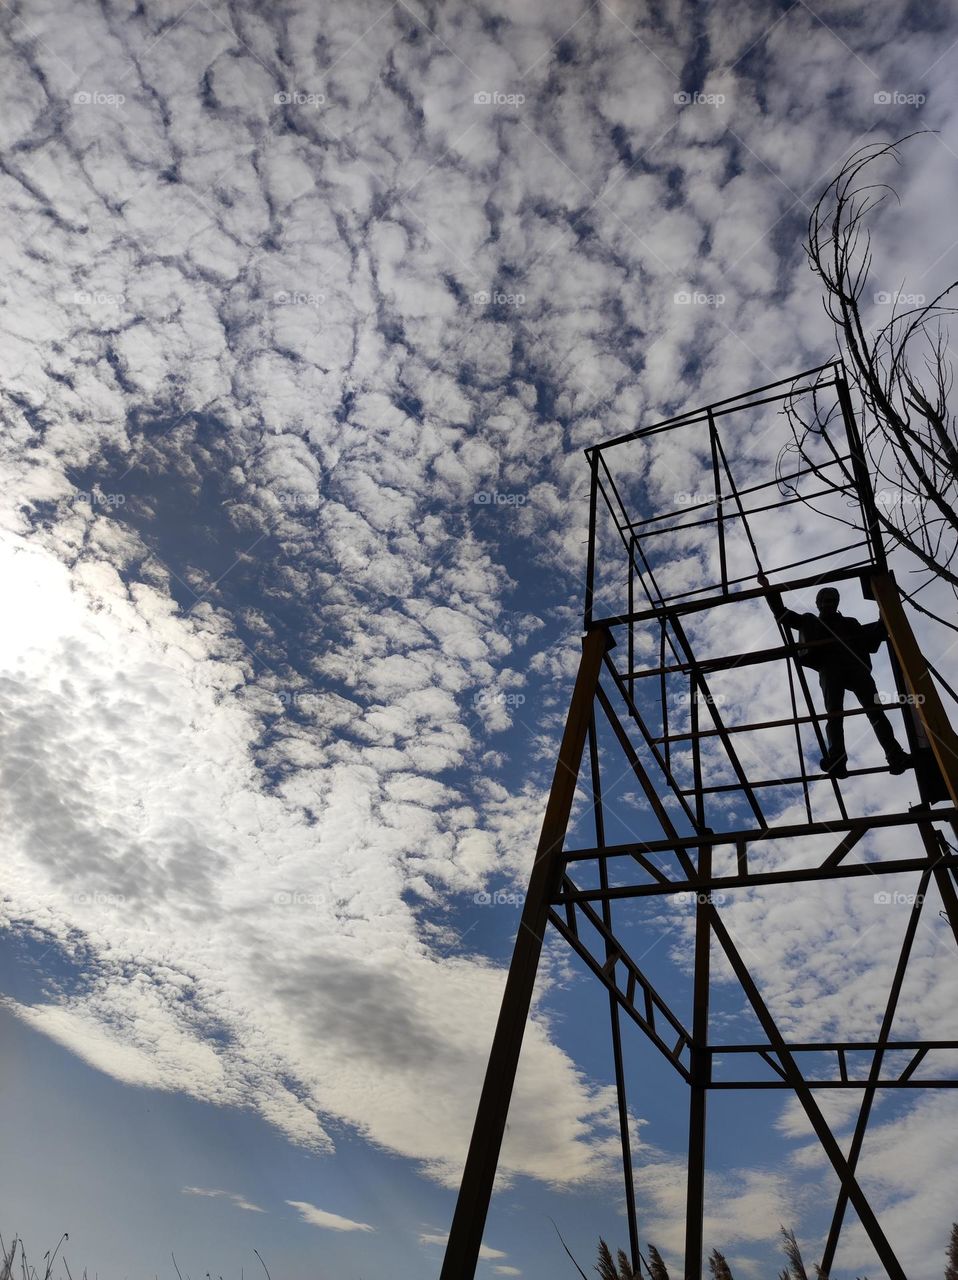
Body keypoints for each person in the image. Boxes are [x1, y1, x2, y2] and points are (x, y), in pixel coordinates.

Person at [756, 573, 911, 779]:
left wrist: (885, 607)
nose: (828, 604)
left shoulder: (851, 623)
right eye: (824, 601)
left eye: (831, 600)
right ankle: (837, 759)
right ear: (817, 603)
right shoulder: (810, 622)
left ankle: (895, 755)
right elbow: (782, 614)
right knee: (834, 715)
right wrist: (768, 588)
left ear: (837, 603)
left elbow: (873, 636)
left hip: (857, 669)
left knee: (876, 712)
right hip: (830, 670)